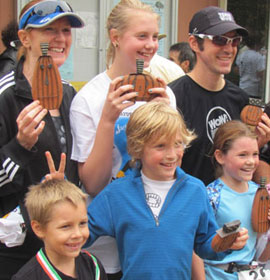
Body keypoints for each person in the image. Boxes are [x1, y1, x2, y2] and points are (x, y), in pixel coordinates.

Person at [70, 1, 176, 278]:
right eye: (141, 36)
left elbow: (173, 167)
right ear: (115, 37)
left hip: (152, 240)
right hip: (105, 251)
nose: (150, 45)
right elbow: (93, 184)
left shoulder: (164, 94)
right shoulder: (89, 99)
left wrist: (167, 120)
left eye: (155, 37)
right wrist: (107, 119)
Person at [84, 102, 248, 280]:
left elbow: (205, 244)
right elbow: (79, 233)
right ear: (138, 148)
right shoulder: (117, 193)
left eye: (178, 144)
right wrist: (58, 201)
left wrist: (226, 243)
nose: (171, 155)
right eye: (160, 146)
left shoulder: (195, 190)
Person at [0, 1, 84, 279]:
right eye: (49, 30)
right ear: (25, 38)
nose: (60, 39)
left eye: (66, 30)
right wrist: (20, 146)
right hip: (16, 250)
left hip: (62, 246)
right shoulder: (6, 95)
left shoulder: (69, 93)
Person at [169, 6, 270, 186]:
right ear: (194, 43)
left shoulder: (241, 100)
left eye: (234, 41)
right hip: (188, 207)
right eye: (219, 40)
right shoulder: (173, 98)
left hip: (230, 209)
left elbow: (243, 167)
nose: (229, 48)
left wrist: (255, 145)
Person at [203, 120, 270, 279]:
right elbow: (196, 248)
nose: (251, 161)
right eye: (242, 155)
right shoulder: (210, 196)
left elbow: (261, 257)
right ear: (220, 156)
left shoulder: (259, 195)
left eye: (255, 154)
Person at [11, 179, 107, 280]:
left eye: (82, 223)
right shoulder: (26, 277)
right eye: (65, 226)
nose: (77, 234)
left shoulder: (93, 265)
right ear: (38, 228)